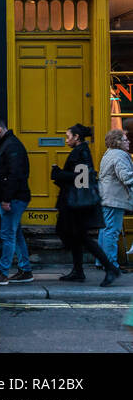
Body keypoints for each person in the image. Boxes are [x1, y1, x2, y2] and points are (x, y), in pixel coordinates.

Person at [52, 123, 120, 287]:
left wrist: (59, 174)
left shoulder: (81, 151)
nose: (66, 140)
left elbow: (81, 179)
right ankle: (78, 271)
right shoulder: (80, 151)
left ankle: (110, 268)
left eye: (68, 136)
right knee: (75, 236)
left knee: (81, 237)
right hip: (74, 204)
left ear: (76, 137)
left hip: (77, 206)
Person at [0, 116, 33, 285]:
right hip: (8, 197)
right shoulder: (5, 145)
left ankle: (3, 272)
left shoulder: (12, 146)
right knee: (16, 233)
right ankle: (25, 270)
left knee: (7, 234)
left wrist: (6, 199)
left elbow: (15, 175)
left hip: (13, 199)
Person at [99, 127, 133, 270]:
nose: (129, 141)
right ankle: (111, 265)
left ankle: (101, 262)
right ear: (118, 142)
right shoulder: (120, 155)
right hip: (115, 199)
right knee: (112, 232)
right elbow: (126, 176)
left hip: (106, 197)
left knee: (105, 230)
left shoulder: (109, 154)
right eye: (125, 139)